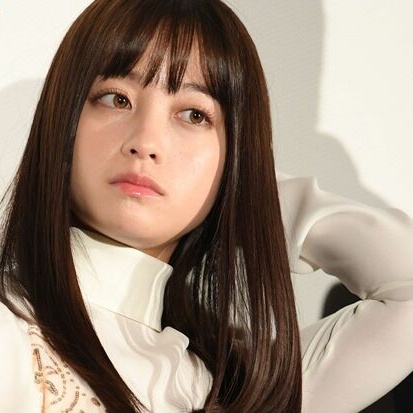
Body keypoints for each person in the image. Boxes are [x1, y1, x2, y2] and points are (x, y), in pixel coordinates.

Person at [0, 0, 412, 412]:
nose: (146, 142)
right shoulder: (11, 333)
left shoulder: (236, 389)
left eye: (194, 115)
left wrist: (245, 189)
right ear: (63, 119)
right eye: (116, 99)